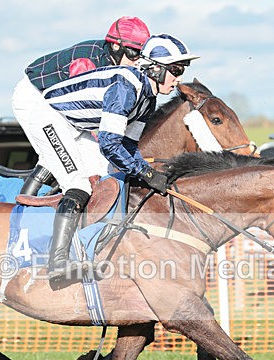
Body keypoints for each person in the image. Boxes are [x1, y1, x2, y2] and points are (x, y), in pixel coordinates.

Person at [18, 34, 199, 283]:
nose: (179, 78)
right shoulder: (126, 89)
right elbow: (110, 144)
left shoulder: (149, 99)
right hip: (48, 118)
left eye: (182, 70)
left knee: (106, 177)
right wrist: (146, 174)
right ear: (155, 68)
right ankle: (57, 262)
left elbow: (128, 145)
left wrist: (148, 171)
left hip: (76, 125)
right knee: (78, 184)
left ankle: (88, 246)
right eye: (175, 70)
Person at [11, 16, 151, 196]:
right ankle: (22, 210)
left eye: (142, 54)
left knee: (101, 165)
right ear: (116, 46)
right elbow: (77, 106)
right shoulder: (88, 62)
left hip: (56, 103)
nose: (138, 61)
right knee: (54, 158)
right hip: (33, 97)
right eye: (134, 53)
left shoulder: (116, 61)